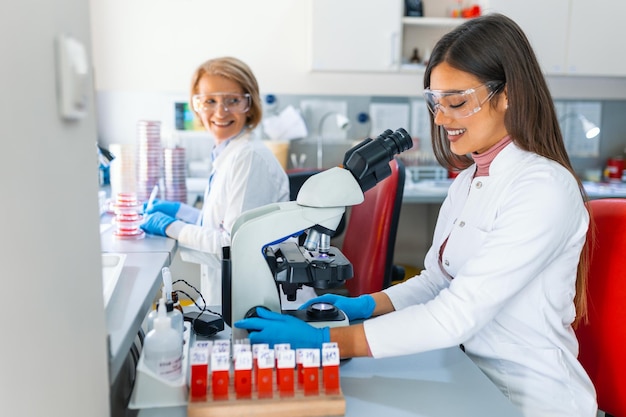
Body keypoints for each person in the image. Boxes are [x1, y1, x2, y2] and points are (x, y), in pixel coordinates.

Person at [235, 14, 597, 417]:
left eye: (456, 102)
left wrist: (332, 342)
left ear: (506, 94)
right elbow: (437, 282)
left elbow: (457, 313)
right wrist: (366, 306)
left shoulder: (543, 188)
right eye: (436, 104)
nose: (440, 120)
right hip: (467, 377)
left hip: (530, 398)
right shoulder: (468, 181)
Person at [141, 56, 290, 305]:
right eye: (209, 101)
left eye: (233, 101)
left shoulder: (248, 157)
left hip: (260, 305)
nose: (220, 112)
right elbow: (221, 224)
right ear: (196, 106)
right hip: (231, 298)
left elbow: (233, 247)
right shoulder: (228, 153)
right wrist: (184, 213)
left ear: (249, 105)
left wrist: (171, 226)